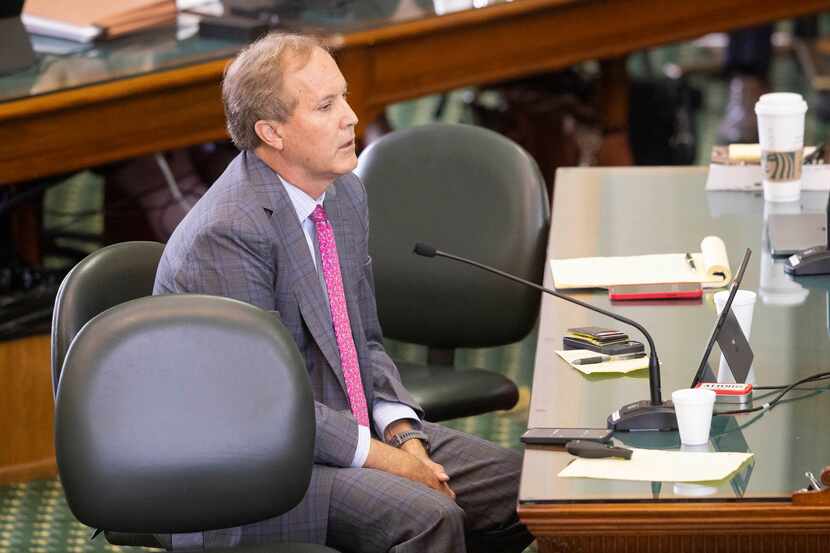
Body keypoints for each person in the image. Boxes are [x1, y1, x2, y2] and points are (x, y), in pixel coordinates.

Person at [153, 32, 533, 553]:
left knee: (530, 491)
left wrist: (405, 434)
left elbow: (365, 344)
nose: (352, 116)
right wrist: (393, 464)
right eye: (327, 105)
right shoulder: (228, 234)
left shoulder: (344, 192)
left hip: (342, 424)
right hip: (250, 466)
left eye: (345, 96)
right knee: (429, 516)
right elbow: (263, 405)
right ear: (272, 132)